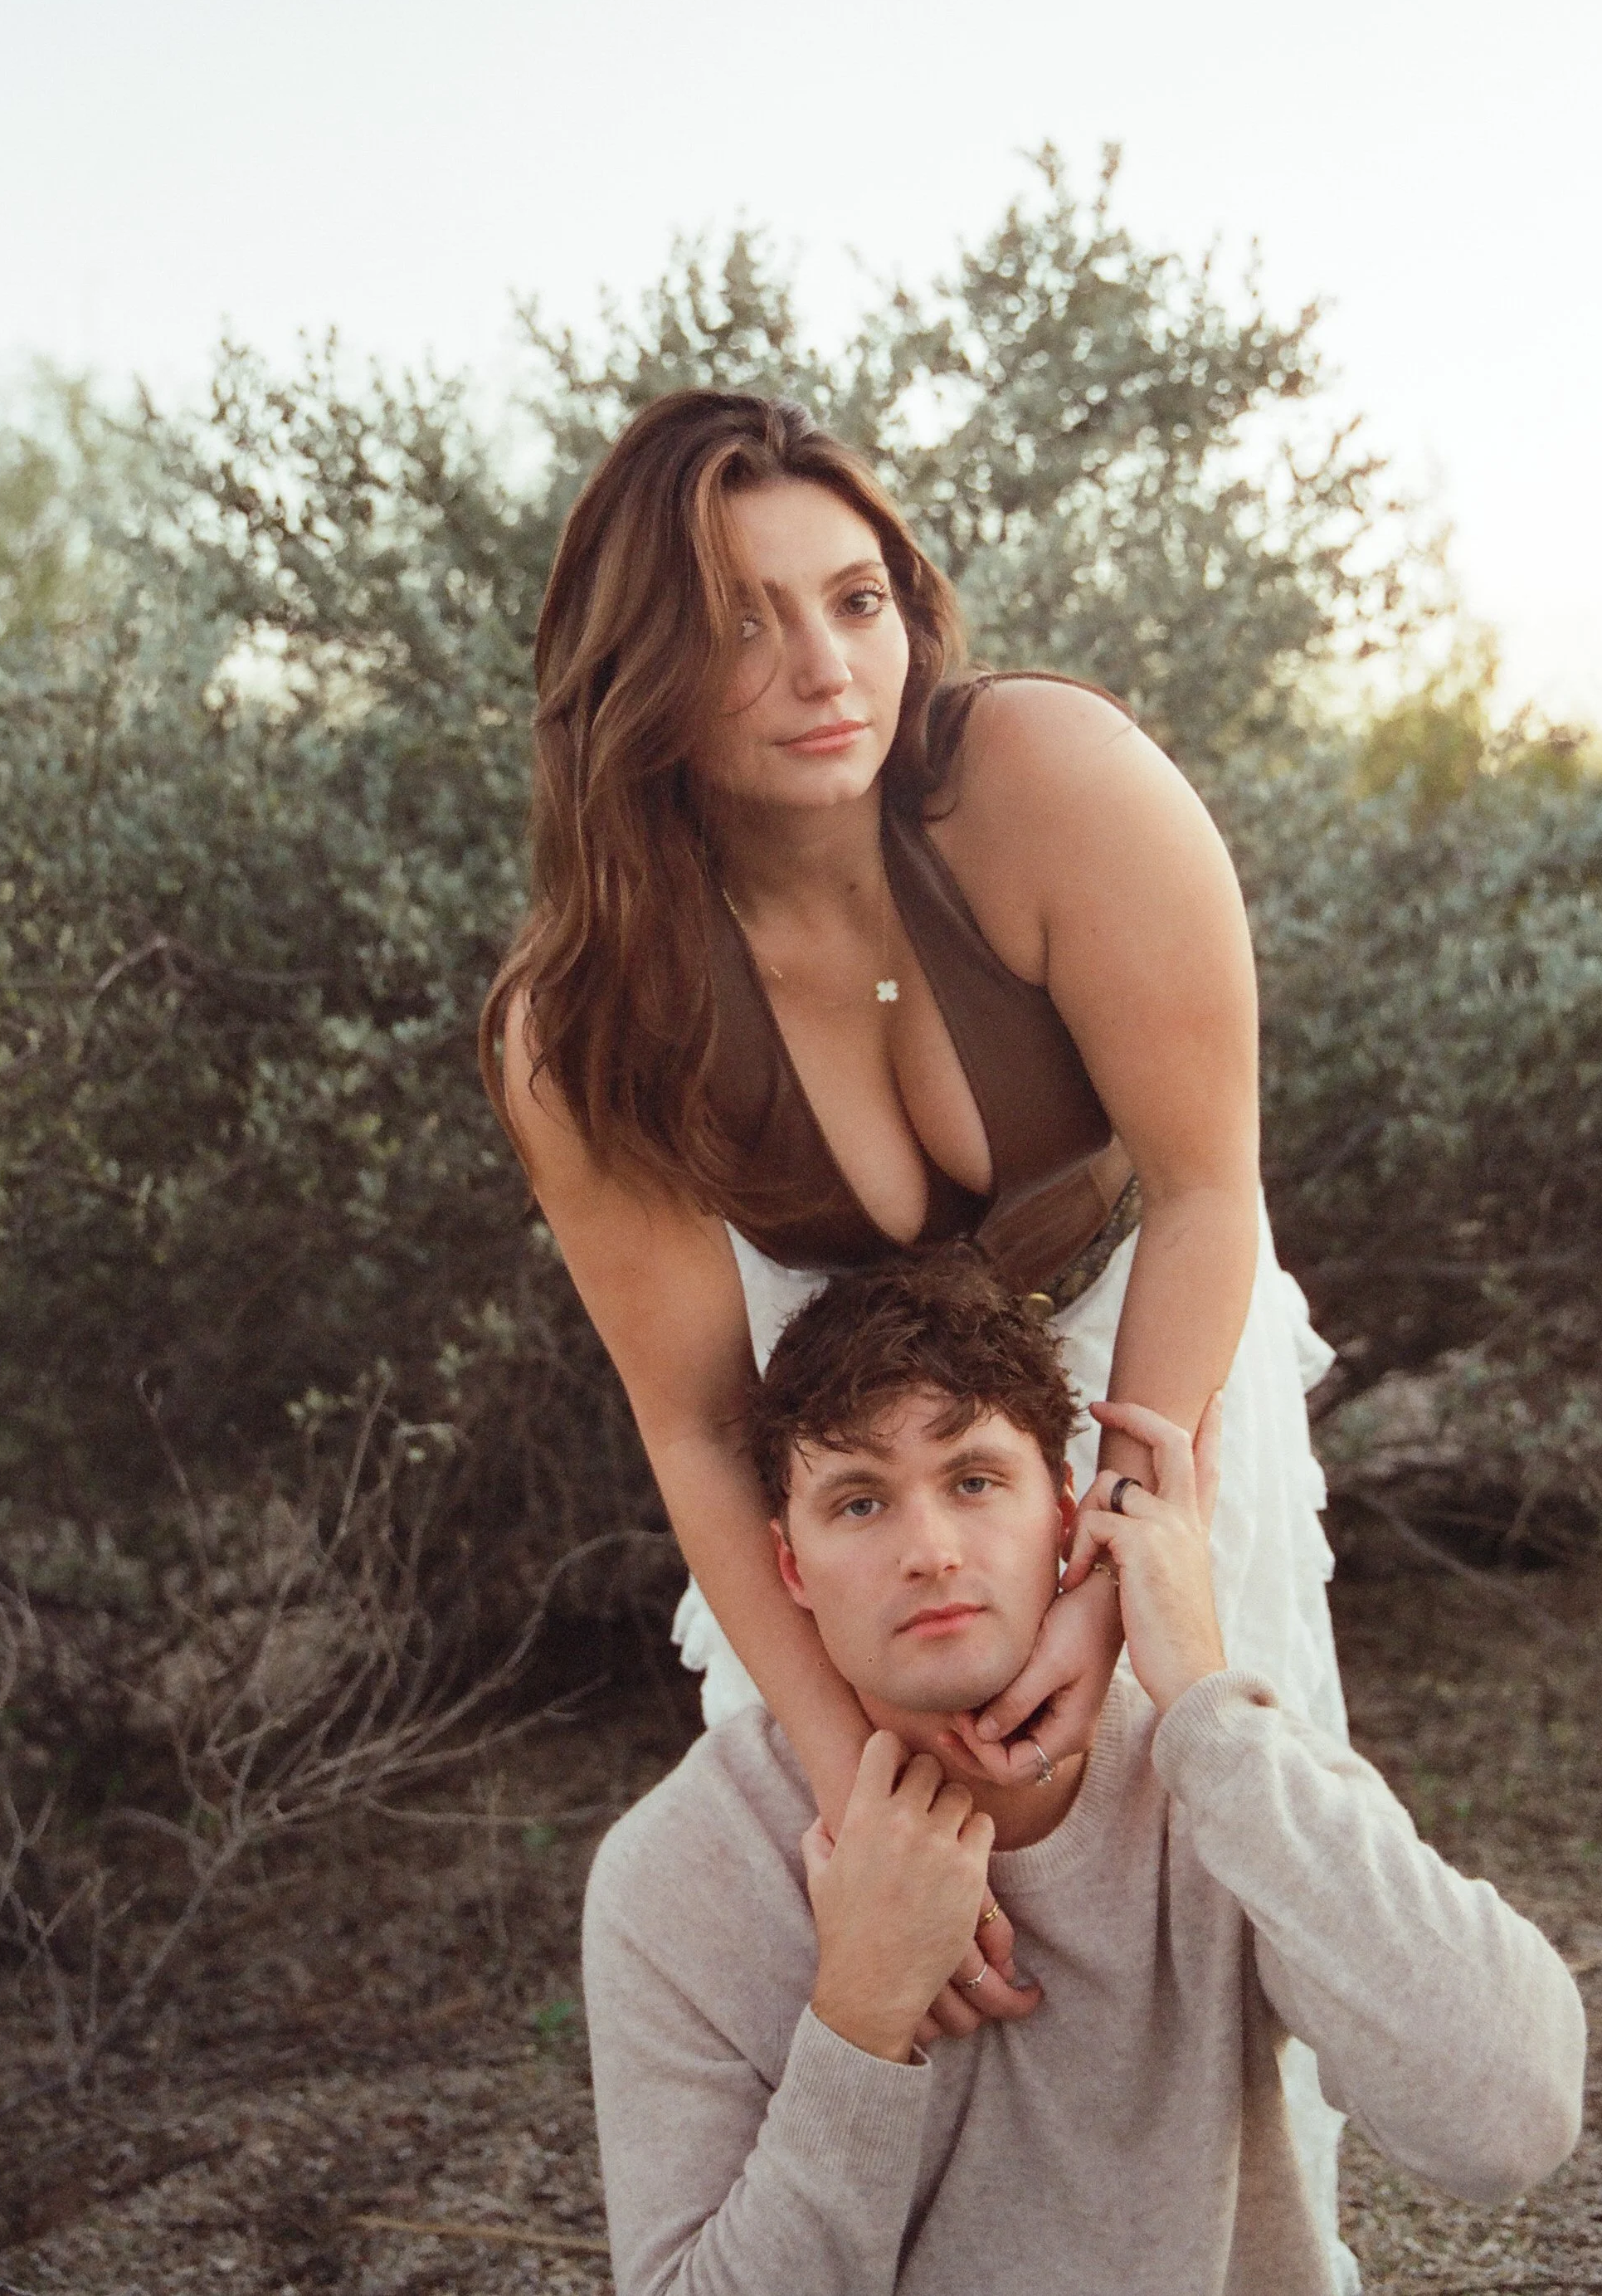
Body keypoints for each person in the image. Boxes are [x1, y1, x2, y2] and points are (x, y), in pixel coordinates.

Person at [480, 387, 1351, 2250]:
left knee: (1213, 1818)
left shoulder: (1043, 780)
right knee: (882, 1848)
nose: (822, 664)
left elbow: (1207, 1189)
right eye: (737, 620)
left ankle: (1270, 2248)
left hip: (1145, 1332)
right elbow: (702, 1422)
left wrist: (1128, 1558)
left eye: (853, 596)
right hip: (843, 1391)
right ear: (634, 671)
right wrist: (848, 1765)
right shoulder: (579, 1020)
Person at [581, 1252, 1585, 2296]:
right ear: (788, 1565)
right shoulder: (679, 1874)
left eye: (973, 1481)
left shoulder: (1211, 1772)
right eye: (859, 1503)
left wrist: (1207, 1705)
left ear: (1064, 1512)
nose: (928, 1550)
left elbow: (1508, 2122)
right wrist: (859, 2016)